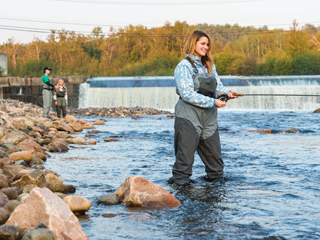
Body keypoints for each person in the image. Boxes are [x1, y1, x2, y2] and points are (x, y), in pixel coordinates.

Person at [171, 30, 238, 186]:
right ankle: (179, 201)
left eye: (208, 44)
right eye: (203, 43)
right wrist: (214, 102)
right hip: (188, 116)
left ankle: (215, 198)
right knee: (184, 163)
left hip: (209, 118)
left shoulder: (209, 65)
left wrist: (227, 93)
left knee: (216, 167)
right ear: (193, 43)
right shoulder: (183, 66)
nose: (206, 47)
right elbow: (187, 94)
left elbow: (217, 88)